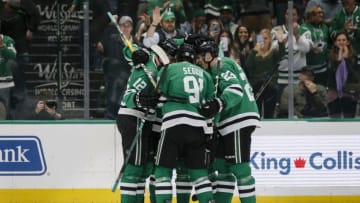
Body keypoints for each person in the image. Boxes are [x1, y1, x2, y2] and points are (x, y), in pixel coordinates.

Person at [195, 38, 260, 203]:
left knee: (240, 169)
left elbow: (235, 90)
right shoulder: (220, 66)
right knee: (223, 168)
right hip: (228, 122)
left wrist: (218, 103)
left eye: (200, 57)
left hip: (236, 119)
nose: (198, 61)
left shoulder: (220, 65)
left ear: (209, 55)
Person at [154, 43, 215, 203]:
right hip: (197, 127)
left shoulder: (169, 69)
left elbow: (158, 99)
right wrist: (208, 134)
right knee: (199, 174)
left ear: (178, 57)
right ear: (193, 58)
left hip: (173, 124)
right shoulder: (205, 75)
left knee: (162, 171)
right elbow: (209, 107)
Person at [116, 44, 168, 203]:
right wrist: (136, 53)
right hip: (133, 116)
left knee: (143, 169)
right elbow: (129, 50)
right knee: (134, 168)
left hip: (146, 119)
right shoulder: (146, 59)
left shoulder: (163, 71)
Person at [0, 0, 40, 111]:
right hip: (8, 51)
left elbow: (35, 13)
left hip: (18, 50)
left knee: (17, 89)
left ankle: (18, 111)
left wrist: (31, 29)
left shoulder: (25, 5)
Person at [97, 16, 134, 119]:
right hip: (114, 79)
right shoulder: (112, 39)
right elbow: (102, 44)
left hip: (129, 80)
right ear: (119, 27)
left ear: (132, 27)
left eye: (128, 25)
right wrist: (110, 25)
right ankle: (110, 116)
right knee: (113, 102)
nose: (126, 28)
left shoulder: (136, 43)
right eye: (123, 26)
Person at [271, 6, 311, 100]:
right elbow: (273, 49)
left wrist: (297, 35)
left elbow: (306, 49)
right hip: (281, 77)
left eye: (293, 14)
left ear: (297, 16)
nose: (290, 17)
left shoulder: (305, 30)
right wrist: (286, 37)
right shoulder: (276, 30)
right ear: (284, 16)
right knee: (282, 108)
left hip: (299, 78)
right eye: (288, 14)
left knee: (299, 106)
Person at [246, 28, 286, 118]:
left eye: (266, 38)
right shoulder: (253, 53)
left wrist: (281, 42)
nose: (263, 41)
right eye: (261, 38)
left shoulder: (273, 52)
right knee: (256, 113)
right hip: (256, 86)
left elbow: (282, 54)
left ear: (270, 40)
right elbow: (248, 66)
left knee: (269, 113)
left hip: (270, 86)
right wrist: (253, 51)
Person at [327, 31, 360, 118]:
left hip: (349, 93)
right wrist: (338, 60)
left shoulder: (354, 57)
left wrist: (346, 60)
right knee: (335, 121)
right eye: (339, 40)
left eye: (344, 40)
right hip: (334, 93)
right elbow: (331, 75)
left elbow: (355, 76)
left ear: (348, 42)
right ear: (335, 43)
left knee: (348, 119)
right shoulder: (329, 56)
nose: (341, 42)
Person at [299, 5, 330, 86]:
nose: (321, 15)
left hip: (323, 68)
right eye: (318, 13)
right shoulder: (303, 28)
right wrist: (311, 48)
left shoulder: (325, 28)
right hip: (308, 70)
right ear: (311, 15)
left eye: (322, 13)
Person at [330, 0, 360, 68]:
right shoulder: (338, 15)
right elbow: (332, 34)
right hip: (341, 56)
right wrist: (343, 30)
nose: (344, 1)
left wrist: (357, 30)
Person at [0, 29, 16, 120]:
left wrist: (2, 47)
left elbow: (12, 56)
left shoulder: (7, 40)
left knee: (6, 112)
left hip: (5, 84)